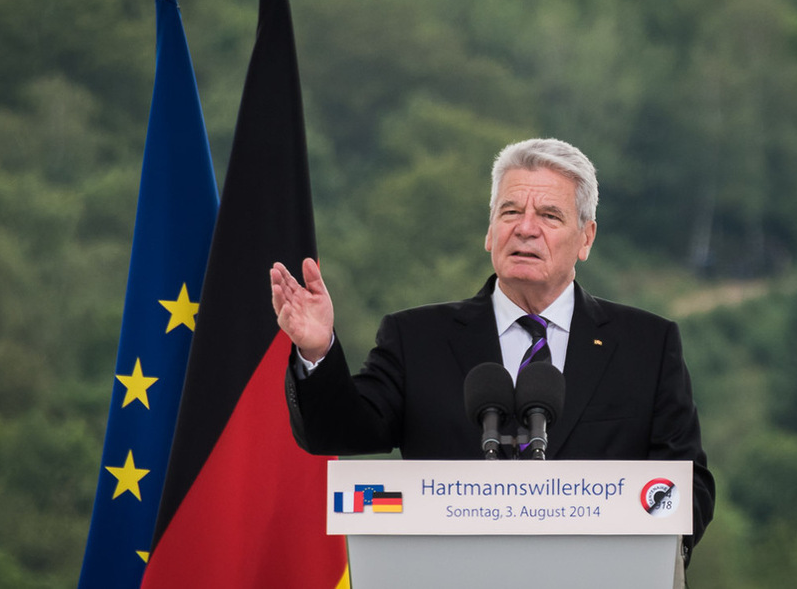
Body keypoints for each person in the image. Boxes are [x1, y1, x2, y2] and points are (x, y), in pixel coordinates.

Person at [270, 138, 714, 561]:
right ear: (490, 231)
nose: (525, 228)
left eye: (549, 216)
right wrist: (318, 349)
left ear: (586, 238)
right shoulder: (416, 339)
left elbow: (689, 488)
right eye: (510, 211)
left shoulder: (646, 346)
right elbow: (338, 433)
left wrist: (646, 556)